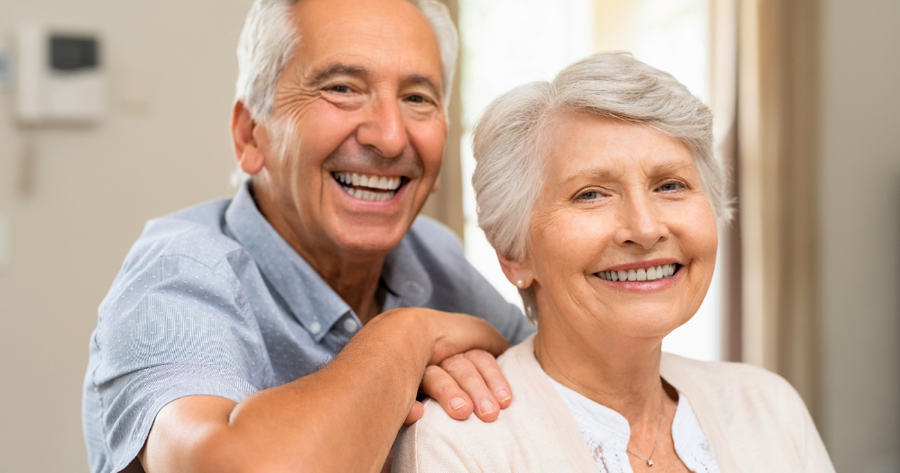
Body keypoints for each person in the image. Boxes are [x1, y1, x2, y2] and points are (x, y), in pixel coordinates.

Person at [81, 0, 535, 472]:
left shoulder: (430, 251)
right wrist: (410, 334)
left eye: (418, 98)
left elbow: (564, 380)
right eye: (342, 88)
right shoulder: (181, 271)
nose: (391, 137)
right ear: (251, 136)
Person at [393, 52, 835, 472]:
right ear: (513, 254)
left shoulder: (771, 407)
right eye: (590, 194)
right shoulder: (458, 445)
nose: (644, 229)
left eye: (670, 185)